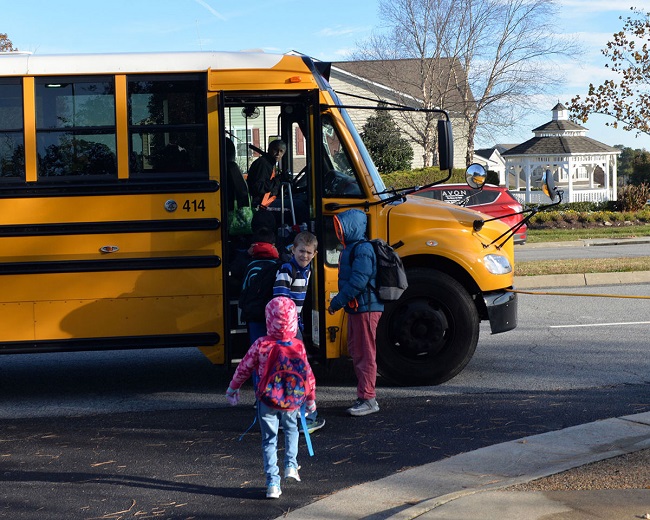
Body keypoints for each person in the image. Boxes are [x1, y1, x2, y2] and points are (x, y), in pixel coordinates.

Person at [225, 296, 317, 499]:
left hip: (267, 399)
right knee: (292, 429)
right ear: (293, 320)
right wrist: (310, 400)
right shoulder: (298, 346)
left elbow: (244, 368)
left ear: (269, 319)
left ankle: (273, 483)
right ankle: (291, 465)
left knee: (269, 439)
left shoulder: (261, 344)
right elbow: (307, 375)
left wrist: (233, 389)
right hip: (292, 400)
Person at [327, 209, 383, 417]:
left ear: (351, 227)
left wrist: (338, 302)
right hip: (360, 308)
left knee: (364, 353)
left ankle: (368, 399)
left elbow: (359, 281)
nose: (338, 231)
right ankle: (365, 396)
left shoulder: (361, 249)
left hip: (365, 308)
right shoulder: (356, 248)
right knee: (358, 351)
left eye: (341, 227)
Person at [273, 231, 325, 432]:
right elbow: (280, 300)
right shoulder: (287, 269)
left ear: (315, 254)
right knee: (296, 371)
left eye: (309, 252)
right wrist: (288, 329)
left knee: (296, 371)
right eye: (301, 251)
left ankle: (293, 414)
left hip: (296, 326)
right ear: (293, 250)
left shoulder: (307, 269)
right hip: (287, 328)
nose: (305, 255)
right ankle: (296, 417)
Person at [247, 139, 287, 209]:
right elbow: (258, 187)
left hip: (267, 200)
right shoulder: (263, 164)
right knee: (299, 205)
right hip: (261, 203)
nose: (278, 154)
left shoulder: (269, 164)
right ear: (269, 149)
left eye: (281, 151)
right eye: (275, 150)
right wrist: (277, 180)